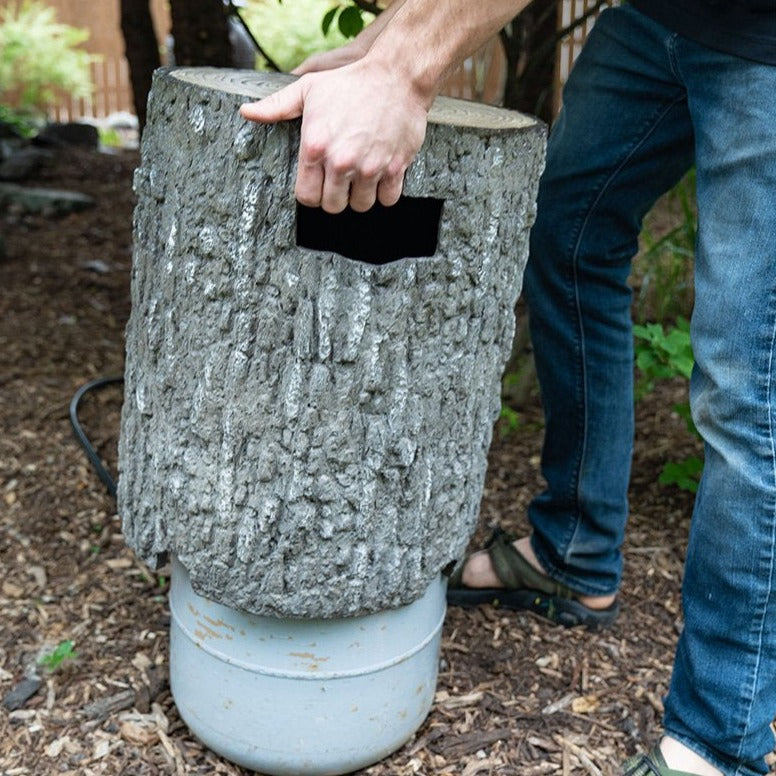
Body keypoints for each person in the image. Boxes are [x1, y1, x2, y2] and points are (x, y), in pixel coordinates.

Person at [240, 2, 776, 774]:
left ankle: (720, 742)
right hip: (662, 15)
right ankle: (574, 554)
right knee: (567, 237)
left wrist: (402, 71)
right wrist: (383, 43)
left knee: (746, 380)